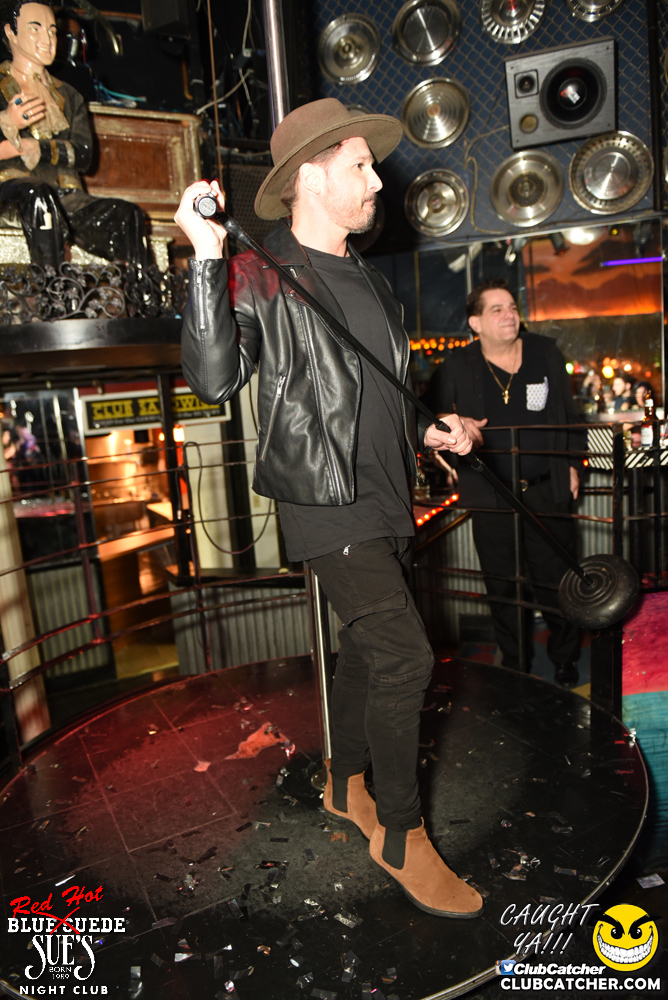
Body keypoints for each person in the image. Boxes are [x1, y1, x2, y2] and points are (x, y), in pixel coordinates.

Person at [175, 98, 483, 920]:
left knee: (366, 653)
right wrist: (206, 256)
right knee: (405, 656)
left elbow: (376, 390)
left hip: (387, 497)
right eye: (359, 165)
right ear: (309, 177)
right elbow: (213, 380)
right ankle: (400, 834)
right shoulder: (257, 272)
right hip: (324, 501)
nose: (376, 180)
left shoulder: (370, 280)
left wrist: (429, 427)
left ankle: (345, 784)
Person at [423, 279, 582, 689]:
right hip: (490, 494)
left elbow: (569, 414)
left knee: (556, 580)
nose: (510, 315)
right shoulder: (458, 365)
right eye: (497, 309)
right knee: (503, 585)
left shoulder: (545, 352)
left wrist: (572, 465)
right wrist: (446, 447)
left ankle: (565, 658)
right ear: (475, 322)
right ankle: (516, 665)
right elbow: (425, 415)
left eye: (512, 306)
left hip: (546, 488)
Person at [0, 0, 150, 269]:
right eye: (35, 28)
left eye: (52, 30)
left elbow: (83, 154)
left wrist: (39, 148)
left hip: (67, 196)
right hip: (10, 192)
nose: (47, 39)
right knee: (37, 194)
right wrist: (8, 122)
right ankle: (52, 289)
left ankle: (140, 292)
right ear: (11, 32)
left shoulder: (69, 95)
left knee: (127, 215)